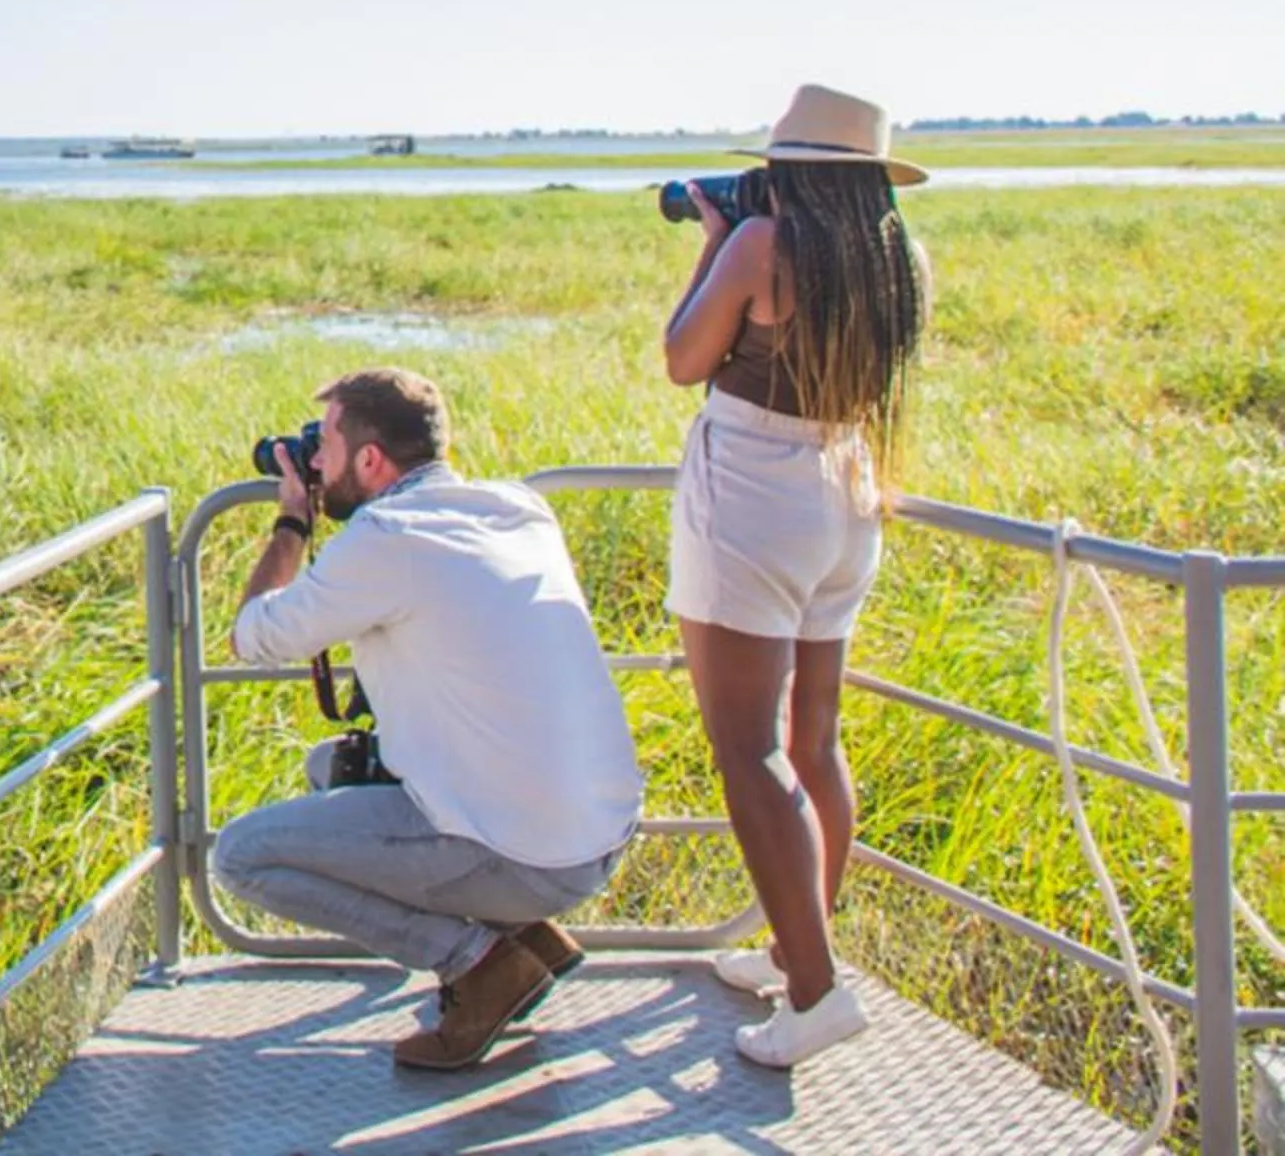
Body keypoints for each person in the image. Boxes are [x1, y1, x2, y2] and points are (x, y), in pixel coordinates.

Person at [210, 368, 644, 1071]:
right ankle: (531, 936)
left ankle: (477, 963)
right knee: (334, 769)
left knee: (241, 856)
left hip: (529, 853)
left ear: (371, 460)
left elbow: (254, 634)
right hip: (598, 833)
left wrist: (293, 517)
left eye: (325, 446)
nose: (314, 460)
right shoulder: (518, 507)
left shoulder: (387, 535)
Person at [664, 83, 929, 1068]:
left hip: (753, 498)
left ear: (794, 169)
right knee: (813, 739)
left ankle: (814, 993)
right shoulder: (895, 258)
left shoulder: (756, 248)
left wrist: (715, 237)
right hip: (845, 492)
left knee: (747, 750)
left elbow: (684, 357)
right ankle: (793, 948)